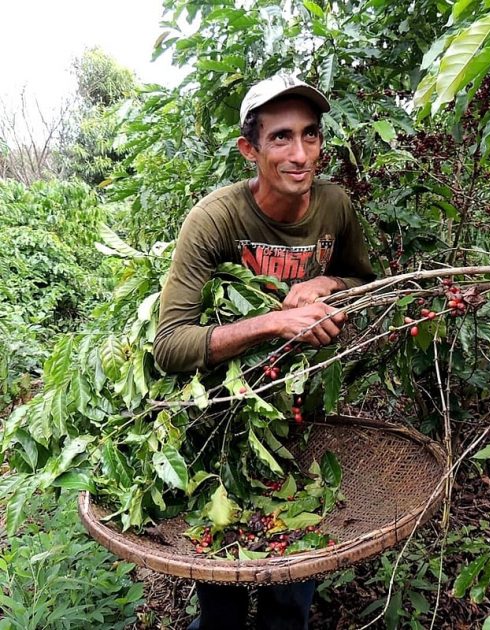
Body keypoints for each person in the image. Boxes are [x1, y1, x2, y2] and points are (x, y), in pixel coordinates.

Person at [154, 73, 375, 630]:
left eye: (311, 135)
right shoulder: (216, 218)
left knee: (292, 584)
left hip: (303, 420)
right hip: (222, 426)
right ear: (249, 149)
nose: (301, 154)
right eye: (281, 138)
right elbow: (170, 345)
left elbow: (367, 283)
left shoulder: (335, 207)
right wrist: (276, 321)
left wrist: (326, 287)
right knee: (222, 586)